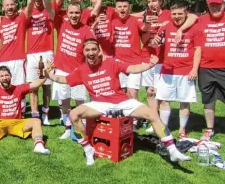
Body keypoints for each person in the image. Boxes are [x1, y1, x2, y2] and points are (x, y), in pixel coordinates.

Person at [46, 38, 191, 166]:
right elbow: (65, 79)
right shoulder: (82, 70)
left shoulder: (111, 62)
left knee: (152, 113)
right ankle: (88, 148)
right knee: (73, 114)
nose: (91, 53)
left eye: (94, 49)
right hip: (100, 104)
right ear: (83, 52)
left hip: (121, 102)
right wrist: (49, 75)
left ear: (99, 51)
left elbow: (132, 68)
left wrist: (149, 65)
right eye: (87, 50)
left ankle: (172, 150)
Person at [177, 0, 225, 146]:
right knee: (208, 100)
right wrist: (180, 30)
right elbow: (191, 17)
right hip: (206, 68)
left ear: (224, 4)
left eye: (218, 4)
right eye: (212, 5)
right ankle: (209, 129)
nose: (215, 7)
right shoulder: (202, 19)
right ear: (208, 6)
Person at [49, 0, 101, 139]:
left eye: (77, 13)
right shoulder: (61, 23)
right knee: (64, 102)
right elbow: (49, 9)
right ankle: (67, 128)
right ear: (68, 13)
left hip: (79, 72)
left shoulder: (85, 30)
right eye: (71, 12)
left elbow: (93, 49)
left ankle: (80, 130)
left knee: (79, 102)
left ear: (81, 13)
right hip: (61, 71)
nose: (74, 15)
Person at [0, 66, 51, 156]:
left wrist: (45, 75)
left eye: (6, 75)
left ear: (10, 76)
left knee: (36, 121)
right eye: (2, 76)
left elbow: (36, 84)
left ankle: (39, 146)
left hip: (17, 123)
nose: (4, 78)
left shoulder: (18, 88)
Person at [151, 1, 201, 138]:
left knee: (184, 102)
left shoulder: (194, 28)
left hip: (186, 71)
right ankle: (165, 128)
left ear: (186, 13)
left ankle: (181, 130)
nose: (177, 16)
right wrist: (155, 41)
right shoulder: (166, 26)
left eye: (180, 13)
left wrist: (194, 69)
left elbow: (198, 50)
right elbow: (155, 42)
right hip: (168, 70)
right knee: (164, 100)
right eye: (174, 14)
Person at [25, 0, 67, 124]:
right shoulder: (27, 9)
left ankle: (46, 114)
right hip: (32, 54)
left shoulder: (51, 7)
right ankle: (35, 114)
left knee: (47, 85)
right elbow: (28, 9)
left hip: (47, 52)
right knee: (33, 86)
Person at [0, 0, 34, 115]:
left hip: (18, 59)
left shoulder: (21, 18)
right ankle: (3, 111)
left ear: (16, 5)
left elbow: (30, 4)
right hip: (2, 60)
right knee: (1, 87)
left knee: (19, 87)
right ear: (3, 8)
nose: (10, 7)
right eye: (7, 5)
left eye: (12, 4)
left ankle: (20, 112)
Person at [111, 0, 150, 99]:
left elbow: (145, 28)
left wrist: (147, 21)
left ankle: (134, 115)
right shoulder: (112, 21)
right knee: (121, 93)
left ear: (130, 8)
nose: (122, 9)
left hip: (134, 63)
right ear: (115, 9)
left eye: (125, 6)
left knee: (132, 93)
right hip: (118, 63)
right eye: (119, 6)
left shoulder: (135, 20)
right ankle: (123, 115)